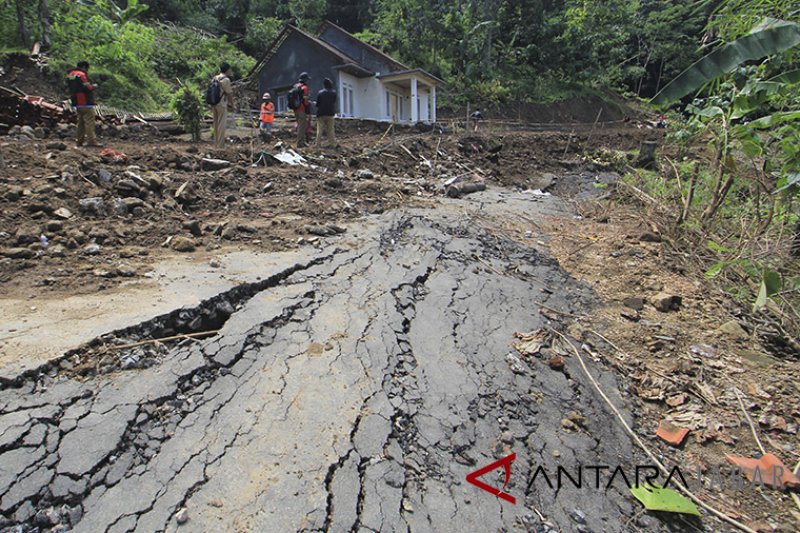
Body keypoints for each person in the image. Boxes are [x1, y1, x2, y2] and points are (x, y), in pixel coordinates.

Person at [67, 60, 100, 147]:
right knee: (89, 122)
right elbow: (87, 87)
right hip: (85, 101)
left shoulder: (71, 75)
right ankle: (91, 141)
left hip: (76, 101)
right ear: (84, 67)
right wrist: (94, 86)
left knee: (80, 122)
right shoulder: (81, 75)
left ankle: (79, 141)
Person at [211, 63, 234, 148]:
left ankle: (215, 145)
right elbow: (229, 94)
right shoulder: (226, 80)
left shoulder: (214, 78)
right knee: (221, 125)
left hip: (214, 104)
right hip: (221, 104)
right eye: (230, 69)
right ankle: (220, 146)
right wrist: (232, 105)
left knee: (216, 124)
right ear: (227, 69)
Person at [315, 78, 337, 149]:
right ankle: (332, 144)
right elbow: (333, 101)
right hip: (330, 113)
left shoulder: (320, 93)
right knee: (330, 130)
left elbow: (317, 104)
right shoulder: (334, 93)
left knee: (320, 130)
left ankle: (318, 145)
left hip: (321, 114)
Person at [293, 72, 311, 148]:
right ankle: (300, 143)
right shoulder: (305, 88)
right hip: (302, 109)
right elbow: (305, 101)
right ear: (305, 80)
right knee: (302, 126)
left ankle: (301, 142)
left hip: (295, 109)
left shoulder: (295, 86)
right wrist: (307, 109)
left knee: (299, 125)